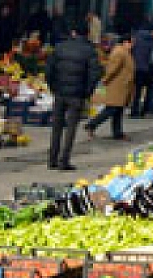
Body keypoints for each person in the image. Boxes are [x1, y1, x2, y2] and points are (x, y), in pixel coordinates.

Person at [46, 26, 100, 170]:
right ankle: (64, 161)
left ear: (73, 32)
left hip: (60, 93)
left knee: (56, 126)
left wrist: (53, 87)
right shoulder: (89, 51)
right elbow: (94, 74)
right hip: (77, 95)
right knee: (71, 127)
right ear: (87, 34)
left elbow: (49, 70)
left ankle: (52, 159)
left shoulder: (59, 47)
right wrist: (86, 92)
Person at [86, 34, 134, 139]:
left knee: (118, 111)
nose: (132, 45)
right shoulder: (119, 52)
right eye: (131, 43)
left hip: (121, 86)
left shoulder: (122, 52)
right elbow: (112, 69)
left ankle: (118, 133)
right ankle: (91, 124)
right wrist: (104, 80)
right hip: (117, 86)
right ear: (125, 42)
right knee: (111, 109)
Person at [129, 27, 153, 115]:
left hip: (137, 69)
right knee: (148, 90)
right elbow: (152, 57)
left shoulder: (136, 42)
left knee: (137, 91)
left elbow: (131, 54)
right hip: (147, 70)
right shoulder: (151, 43)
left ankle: (134, 110)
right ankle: (145, 109)